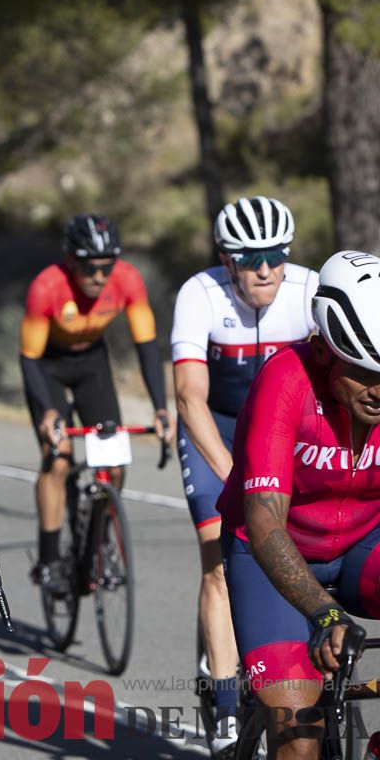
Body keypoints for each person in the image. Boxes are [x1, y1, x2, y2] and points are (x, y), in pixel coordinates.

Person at [218, 250, 380, 760]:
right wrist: (325, 614)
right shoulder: (285, 380)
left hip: (362, 547)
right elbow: (265, 522)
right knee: (299, 735)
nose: (379, 391)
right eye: (363, 372)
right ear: (326, 350)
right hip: (269, 554)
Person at [171, 195, 318, 753]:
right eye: (251, 257)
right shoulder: (200, 293)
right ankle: (227, 704)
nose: (266, 269)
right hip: (219, 429)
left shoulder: (307, 291)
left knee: (298, 542)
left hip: (283, 433)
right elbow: (189, 397)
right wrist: (239, 479)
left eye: (277, 254)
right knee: (219, 552)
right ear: (228, 260)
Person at [19, 214, 171, 593]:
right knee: (59, 457)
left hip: (92, 365)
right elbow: (29, 359)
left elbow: (147, 346)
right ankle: (50, 558)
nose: (100, 277)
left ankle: (96, 541)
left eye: (107, 267)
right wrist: (50, 412)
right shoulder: (47, 287)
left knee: (114, 463)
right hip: (48, 367)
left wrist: (160, 407)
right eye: (90, 268)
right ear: (72, 262)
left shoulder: (128, 280)